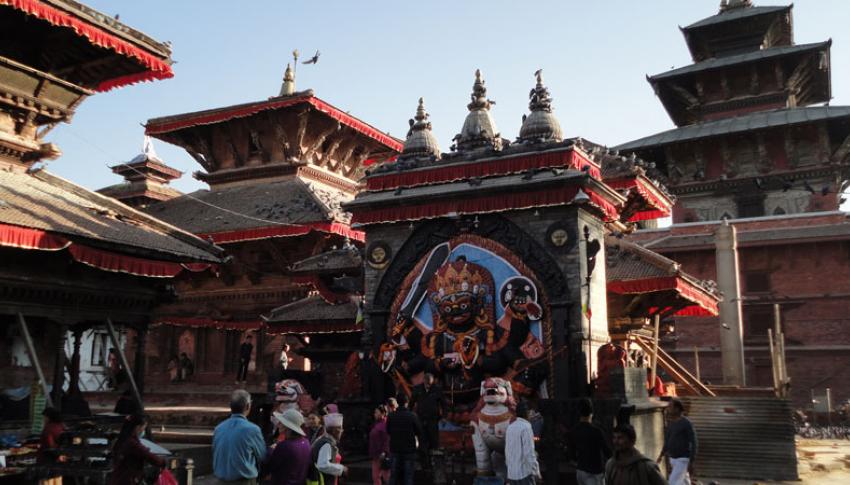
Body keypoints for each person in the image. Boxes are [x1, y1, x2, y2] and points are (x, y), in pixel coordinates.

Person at [212, 390, 266, 484]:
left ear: (230, 406)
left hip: (221, 480)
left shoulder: (219, 428)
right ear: (248, 406)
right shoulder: (252, 429)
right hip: (244, 480)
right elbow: (262, 455)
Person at [109, 414, 165, 485]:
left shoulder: (126, 438)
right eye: (143, 428)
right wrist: (163, 462)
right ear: (137, 427)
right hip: (127, 479)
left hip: (122, 478)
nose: (143, 431)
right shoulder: (132, 442)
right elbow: (145, 453)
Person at [263, 408, 312, 485]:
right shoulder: (306, 443)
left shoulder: (284, 446)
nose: (278, 424)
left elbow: (268, 467)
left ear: (287, 426)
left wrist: (270, 450)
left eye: (281, 422)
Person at [572, 398, 612, 485]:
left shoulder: (575, 430)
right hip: (594, 472)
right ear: (592, 413)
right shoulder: (596, 431)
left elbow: (571, 453)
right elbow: (607, 451)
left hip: (580, 470)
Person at [657, 399, 697, 485]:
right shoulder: (671, 424)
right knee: (684, 482)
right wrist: (661, 454)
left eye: (670, 406)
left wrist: (692, 460)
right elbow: (667, 440)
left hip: (682, 459)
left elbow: (694, 442)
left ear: (677, 409)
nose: (668, 408)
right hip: (673, 459)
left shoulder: (686, 423)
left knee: (673, 482)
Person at [386, 394, 421, 485]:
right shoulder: (412, 416)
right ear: (406, 403)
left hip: (395, 448)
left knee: (393, 476)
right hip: (409, 449)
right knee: (408, 476)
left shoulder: (391, 416)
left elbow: (388, 431)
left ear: (397, 402)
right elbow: (419, 431)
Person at [505, 400, 541, 485]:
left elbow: (507, 451)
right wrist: (536, 472)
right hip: (524, 474)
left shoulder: (510, 427)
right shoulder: (526, 427)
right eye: (531, 411)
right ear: (527, 412)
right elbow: (529, 453)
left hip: (512, 474)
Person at [412, 373, 442, 469]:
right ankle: (424, 464)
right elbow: (411, 403)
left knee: (434, 442)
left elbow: (443, 403)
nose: (429, 385)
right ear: (424, 381)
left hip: (433, 420)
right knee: (422, 443)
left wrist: (443, 416)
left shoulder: (436, 390)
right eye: (427, 383)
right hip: (421, 419)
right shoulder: (417, 389)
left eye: (430, 384)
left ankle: (435, 464)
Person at [310, 412, 347, 485]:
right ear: (334, 431)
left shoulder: (324, 440)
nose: (342, 431)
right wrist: (342, 469)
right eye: (340, 429)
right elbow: (323, 465)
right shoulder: (327, 444)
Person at [369, 405, 391, 485]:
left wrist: (385, 452)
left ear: (383, 413)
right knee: (375, 476)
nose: (374, 414)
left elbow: (387, 439)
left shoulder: (385, 424)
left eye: (376, 412)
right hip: (375, 454)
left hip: (382, 454)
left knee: (386, 477)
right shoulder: (376, 424)